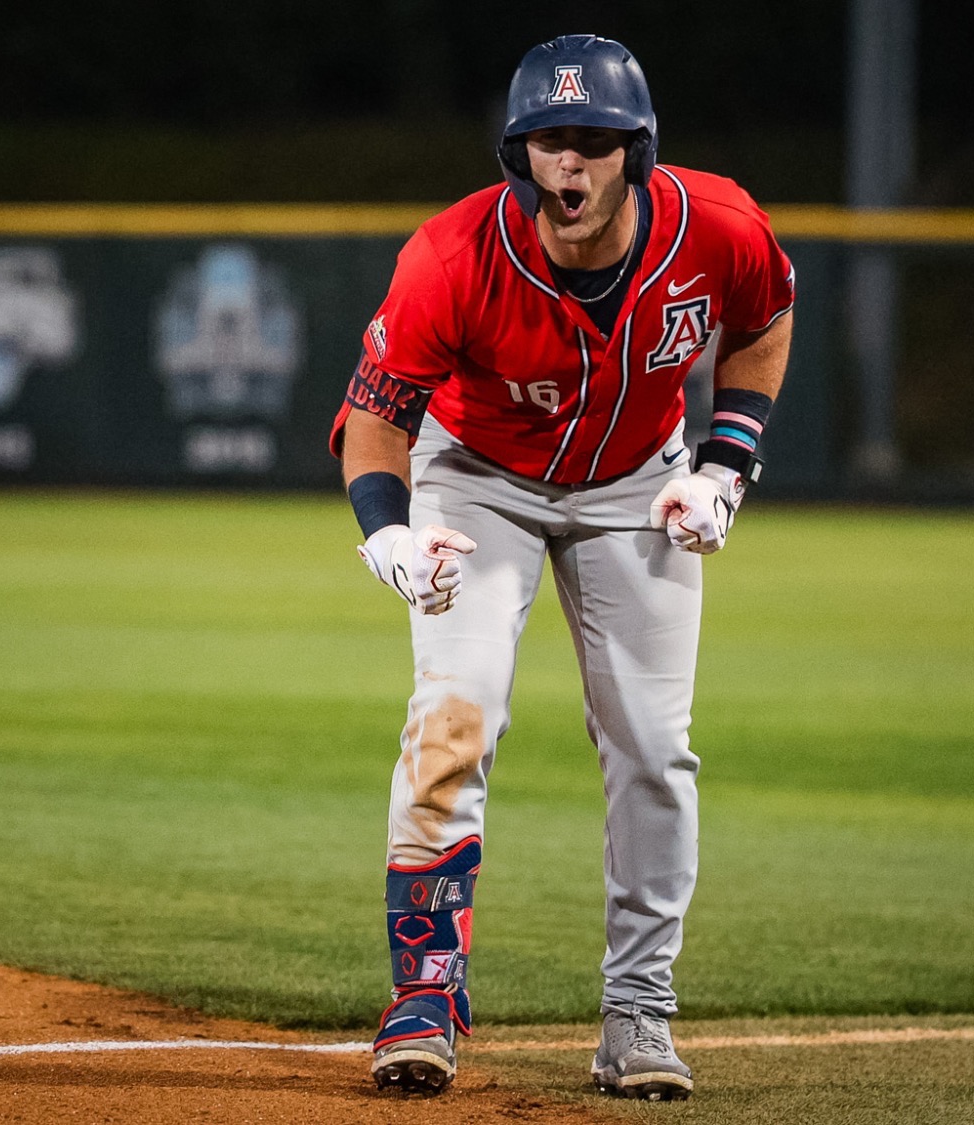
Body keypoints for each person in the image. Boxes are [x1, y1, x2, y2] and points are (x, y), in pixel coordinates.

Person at [330, 33, 794, 1102]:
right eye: (548, 143)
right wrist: (388, 533)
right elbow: (374, 416)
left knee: (653, 747)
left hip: (639, 479)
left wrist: (724, 464)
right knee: (457, 712)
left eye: (593, 142)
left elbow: (763, 322)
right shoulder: (451, 255)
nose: (570, 166)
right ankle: (424, 998)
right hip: (476, 478)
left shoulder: (716, 223)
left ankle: (638, 1018)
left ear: (636, 149)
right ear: (518, 154)